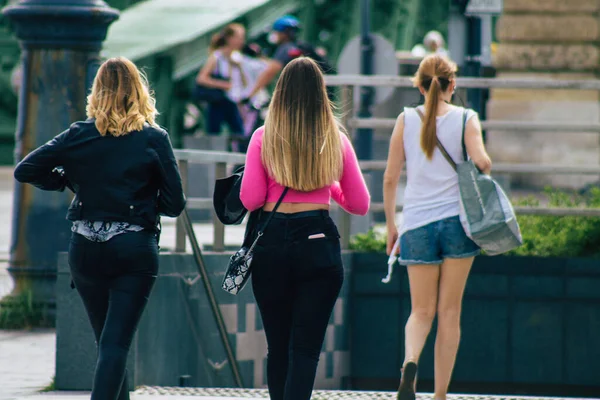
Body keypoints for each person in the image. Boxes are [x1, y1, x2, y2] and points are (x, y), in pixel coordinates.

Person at [14, 57, 186, 400]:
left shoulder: (78, 134)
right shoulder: (154, 138)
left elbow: (25, 170)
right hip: (133, 247)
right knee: (115, 344)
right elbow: (175, 203)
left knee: (108, 344)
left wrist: (66, 180)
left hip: (86, 247)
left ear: (98, 92)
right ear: (139, 91)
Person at [240, 57, 370, 400]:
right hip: (318, 241)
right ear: (320, 94)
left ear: (280, 93)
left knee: (278, 347)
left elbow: (251, 199)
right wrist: (329, 187)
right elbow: (360, 204)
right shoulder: (336, 140)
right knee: (306, 350)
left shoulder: (262, 138)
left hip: (272, 244)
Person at [382, 54, 491, 400]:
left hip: (416, 225)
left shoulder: (405, 119)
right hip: (458, 224)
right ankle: (440, 395)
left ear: (418, 85)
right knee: (449, 313)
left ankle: (410, 362)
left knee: (420, 311)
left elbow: (389, 177)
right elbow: (482, 161)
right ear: (452, 85)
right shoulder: (465, 118)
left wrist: (391, 226)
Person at [244, 15, 335, 101]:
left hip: (304, 96)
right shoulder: (302, 46)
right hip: (320, 92)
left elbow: (270, 72)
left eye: (276, 32)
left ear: (283, 33)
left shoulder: (286, 48)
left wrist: (250, 95)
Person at [196, 23, 248, 136]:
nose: (241, 41)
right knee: (214, 133)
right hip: (218, 100)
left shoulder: (237, 58)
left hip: (233, 99)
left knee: (239, 133)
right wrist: (222, 84)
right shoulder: (217, 57)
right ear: (229, 38)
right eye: (239, 37)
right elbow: (201, 78)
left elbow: (243, 82)